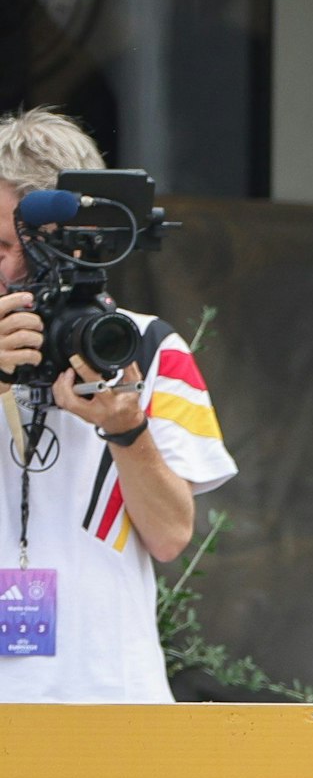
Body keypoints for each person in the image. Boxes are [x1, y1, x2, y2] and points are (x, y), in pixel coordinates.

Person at [0, 106, 234, 702]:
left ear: (63, 244)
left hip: (109, 695)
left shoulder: (146, 348)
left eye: (2, 245)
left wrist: (129, 432)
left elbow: (171, 536)